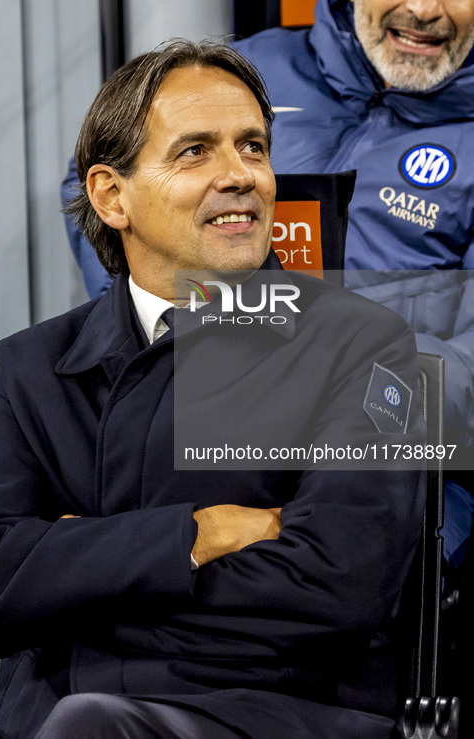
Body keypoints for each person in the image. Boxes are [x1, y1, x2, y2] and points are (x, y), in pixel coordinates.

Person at [0, 40, 426, 739]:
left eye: (253, 147)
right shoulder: (26, 370)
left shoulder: (371, 347)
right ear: (111, 196)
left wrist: (79, 566)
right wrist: (197, 535)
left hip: (281, 719)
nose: (241, 175)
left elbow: (341, 583)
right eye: (195, 151)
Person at [62, 0, 474, 566]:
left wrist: (343, 375)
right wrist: (165, 323)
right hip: (183, 399)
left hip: (384, 445)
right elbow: (103, 184)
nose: (425, 8)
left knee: (323, 572)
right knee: (114, 553)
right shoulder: (244, 70)